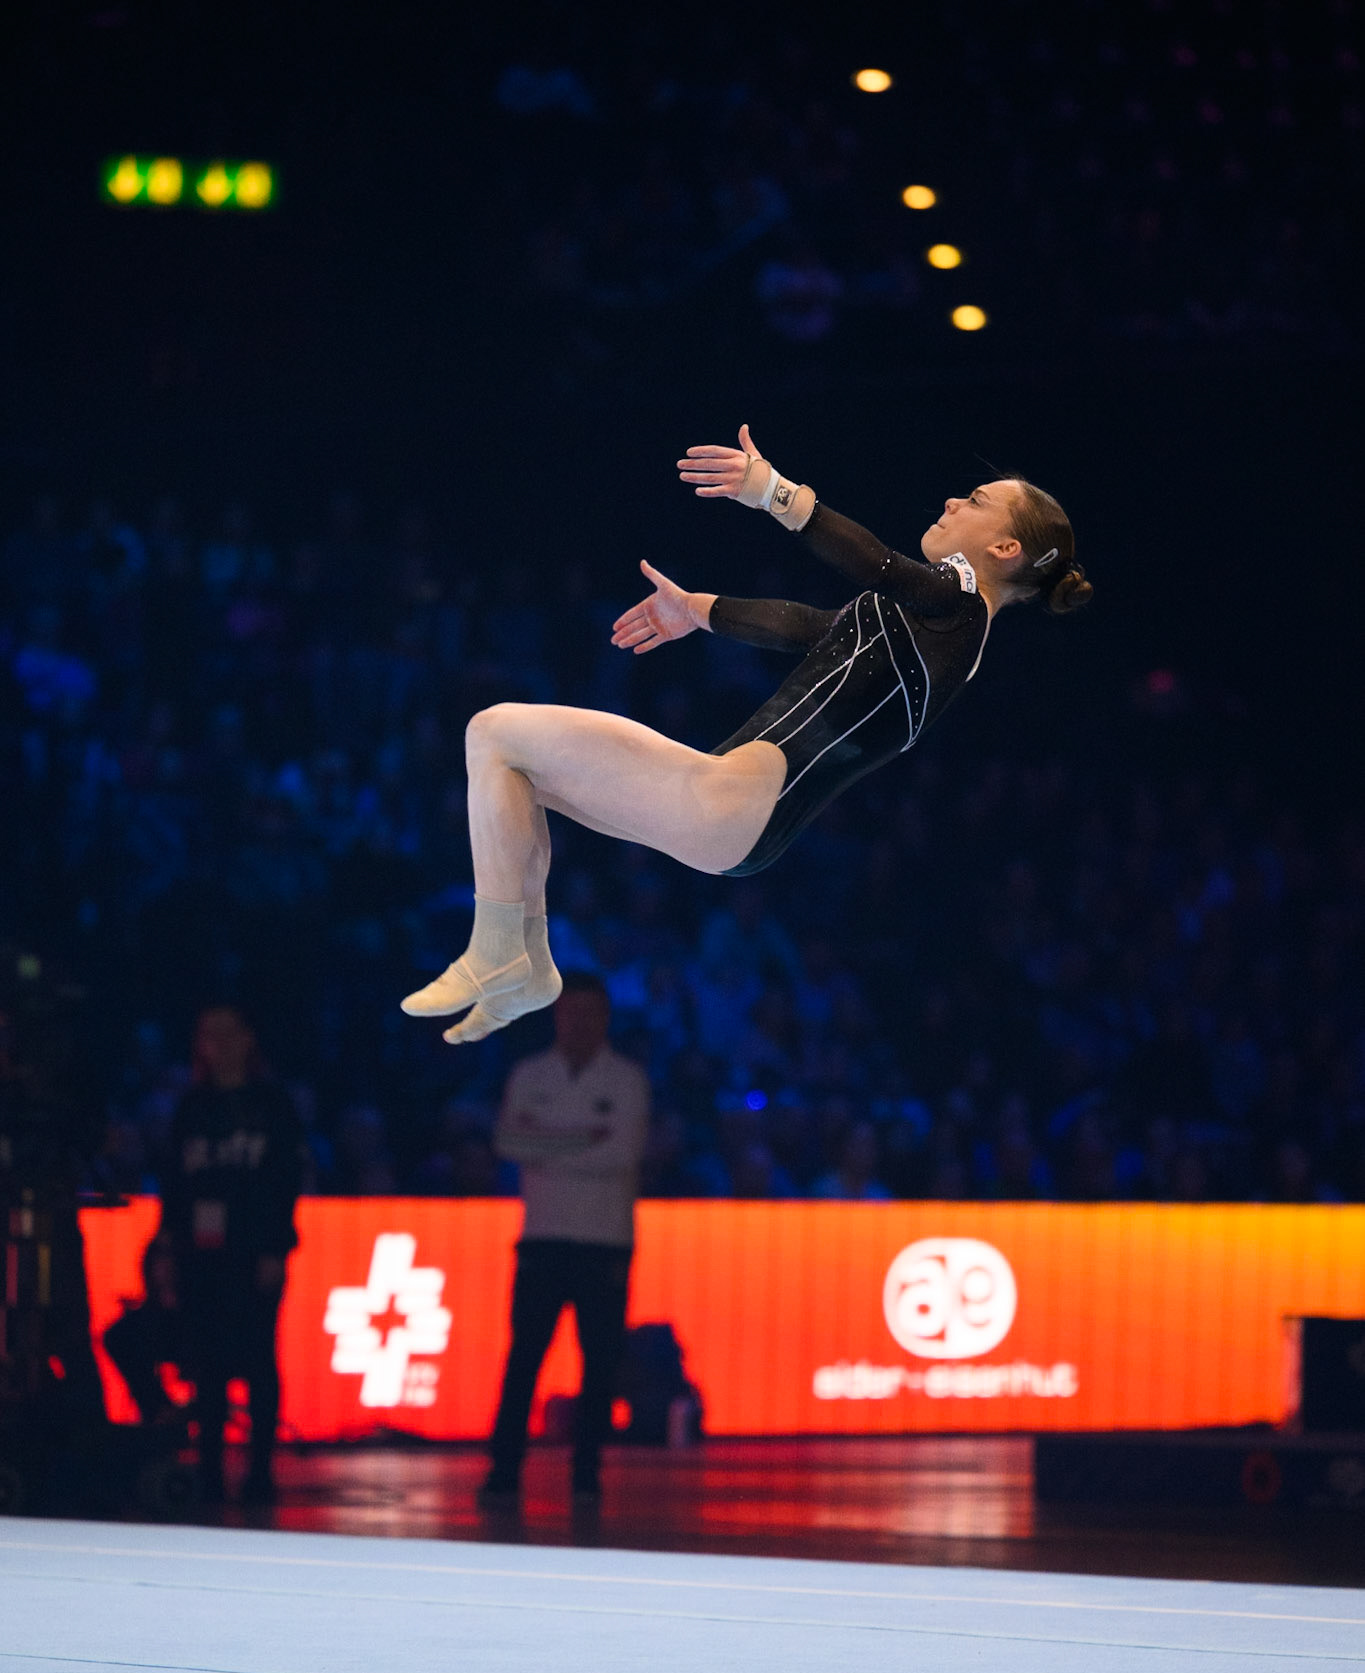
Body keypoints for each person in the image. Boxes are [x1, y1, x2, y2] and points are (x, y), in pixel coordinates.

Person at [402, 425, 1091, 1044]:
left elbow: (875, 563)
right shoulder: (936, 623)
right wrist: (697, 610)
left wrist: (775, 494)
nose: (951, 501)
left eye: (975, 500)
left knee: (493, 731)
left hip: (730, 802)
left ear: (1005, 548)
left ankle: (499, 952)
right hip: (737, 817)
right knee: (512, 767)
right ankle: (525, 963)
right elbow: (812, 628)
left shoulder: (961, 608)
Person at [481, 972, 650, 1504]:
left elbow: (620, 1155)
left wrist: (547, 1143)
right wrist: (582, 1139)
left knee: (599, 1362)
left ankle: (586, 1476)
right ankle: (504, 1472)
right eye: (570, 1012)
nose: (578, 1024)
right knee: (525, 1357)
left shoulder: (627, 1081)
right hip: (543, 1236)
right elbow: (509, 1143)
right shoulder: (530, 1074)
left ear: (605, 1018)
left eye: (589, 1013)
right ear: (556, 1016)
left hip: (605, 1239)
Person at [158, 1006, 305, 1506]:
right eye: (208, 1034)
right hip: (200, 1255)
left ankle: (260, 1470)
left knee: (259, 1359)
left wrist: (275, 1248)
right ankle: (210, 1471)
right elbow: (174, 1183)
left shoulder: (273, 1106)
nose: (217, 1043)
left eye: (227, 1033)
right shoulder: (191, 1107)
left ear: (248, 1039)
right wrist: (167, 1246)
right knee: (207, 1365)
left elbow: (285, 1181)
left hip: (253, 1252)